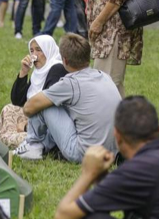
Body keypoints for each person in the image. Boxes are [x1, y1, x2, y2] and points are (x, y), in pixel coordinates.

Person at [17, 34, 121, 162]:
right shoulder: (104, 76)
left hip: (84, 154)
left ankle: (32, 146)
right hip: (113, 150)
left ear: (64, 61)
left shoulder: (70, 83)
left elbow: (28, 108)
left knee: (43, 104)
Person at [0, 35, 67, 149]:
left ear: (48, 50)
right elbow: (17, 100)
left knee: (15, 133)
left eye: (38, 50)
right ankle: (15, 137)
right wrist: (24, 72)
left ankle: (25, 140)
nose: (34, 55)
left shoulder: (57, 69)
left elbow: (48, 107)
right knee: (9, 109)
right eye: (31, 51)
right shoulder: (38, 73)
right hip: (33, 118)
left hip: (48, 126)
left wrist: (27, 126)